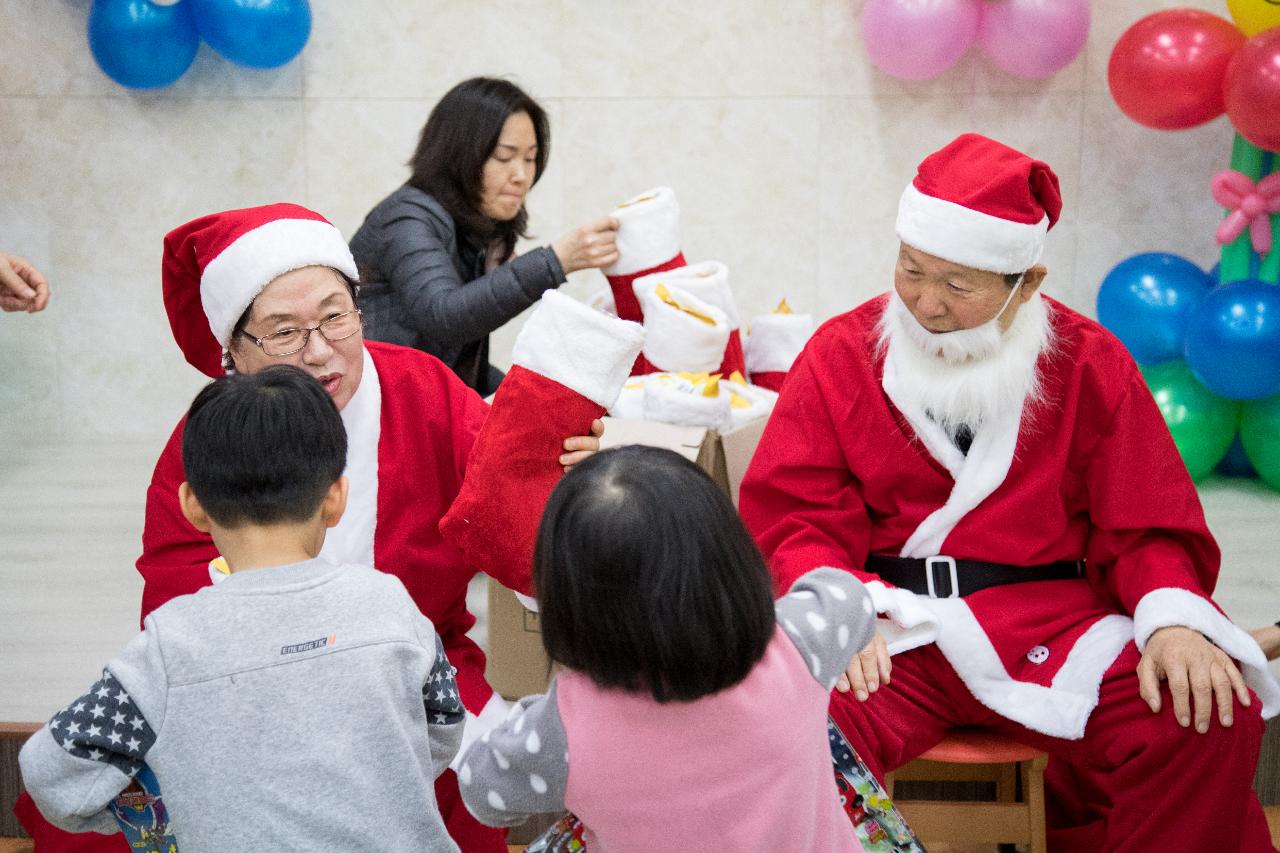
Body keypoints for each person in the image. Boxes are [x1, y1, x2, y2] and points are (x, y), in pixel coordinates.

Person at [739, 133, 1280, 851]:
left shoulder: (1091, 363)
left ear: (1026, 283)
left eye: (959, 286)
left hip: (1058, 623)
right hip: (899, 632)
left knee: (1207, 710)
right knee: (781, 716)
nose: (927, 303)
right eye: (912, 271)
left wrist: (1175, 618)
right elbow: (794, 513)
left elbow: (1149, 526)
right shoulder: (842, 354)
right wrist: (840, 604)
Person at [13, 202, 600, 853]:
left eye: (335, 316)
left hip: (402, 678)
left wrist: (564, 465)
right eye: (285, 331)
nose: (321, 351)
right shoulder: (206, 445)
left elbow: (514, 511)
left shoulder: (423, 389)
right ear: (232, 350)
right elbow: (183, 623)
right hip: (247, 692)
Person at [20, 366, 465, 851]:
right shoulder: (390, 605)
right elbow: (442, 728)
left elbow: (51, 772)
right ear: (335, 497)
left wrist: (162, 803)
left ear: (192, 504)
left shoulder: (171, 645)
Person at [457, 445, 877, 851]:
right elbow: (850, 596)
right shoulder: (798, 642)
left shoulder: (564, 727)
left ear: (569, 607)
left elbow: (482, 789)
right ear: (733, 556)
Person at [350, 76, 620, 396]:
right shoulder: (406, 218)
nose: (521, 175)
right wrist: (555, 261)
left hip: (423, 398)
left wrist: (524, 396)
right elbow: (446, 316)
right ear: (459, 156)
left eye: (530, 158)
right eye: (504, 157)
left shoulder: (475, 225)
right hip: (385, 408)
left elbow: (461, 361)